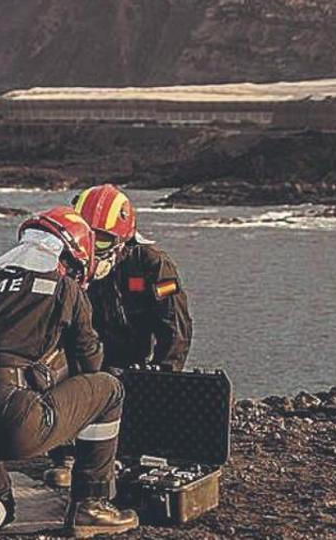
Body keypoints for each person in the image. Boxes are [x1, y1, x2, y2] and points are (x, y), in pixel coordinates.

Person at [0, 207, 138, 539]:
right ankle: (91, 506)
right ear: (71, 258)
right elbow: (90, 368)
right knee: (108, 389)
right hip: (12, 419)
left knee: (0, 504)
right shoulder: (64, 289)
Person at [44, 184, 195, 488]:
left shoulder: (151, 264)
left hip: (130, 362)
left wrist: (163, 377)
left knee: (120, 394)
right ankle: (65, 455)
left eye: (101, 240)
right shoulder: (68, 265)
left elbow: (174, 326)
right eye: (87, 236)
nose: (92, 247)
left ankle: (121, 452)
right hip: (82, 355)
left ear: (122, 239)